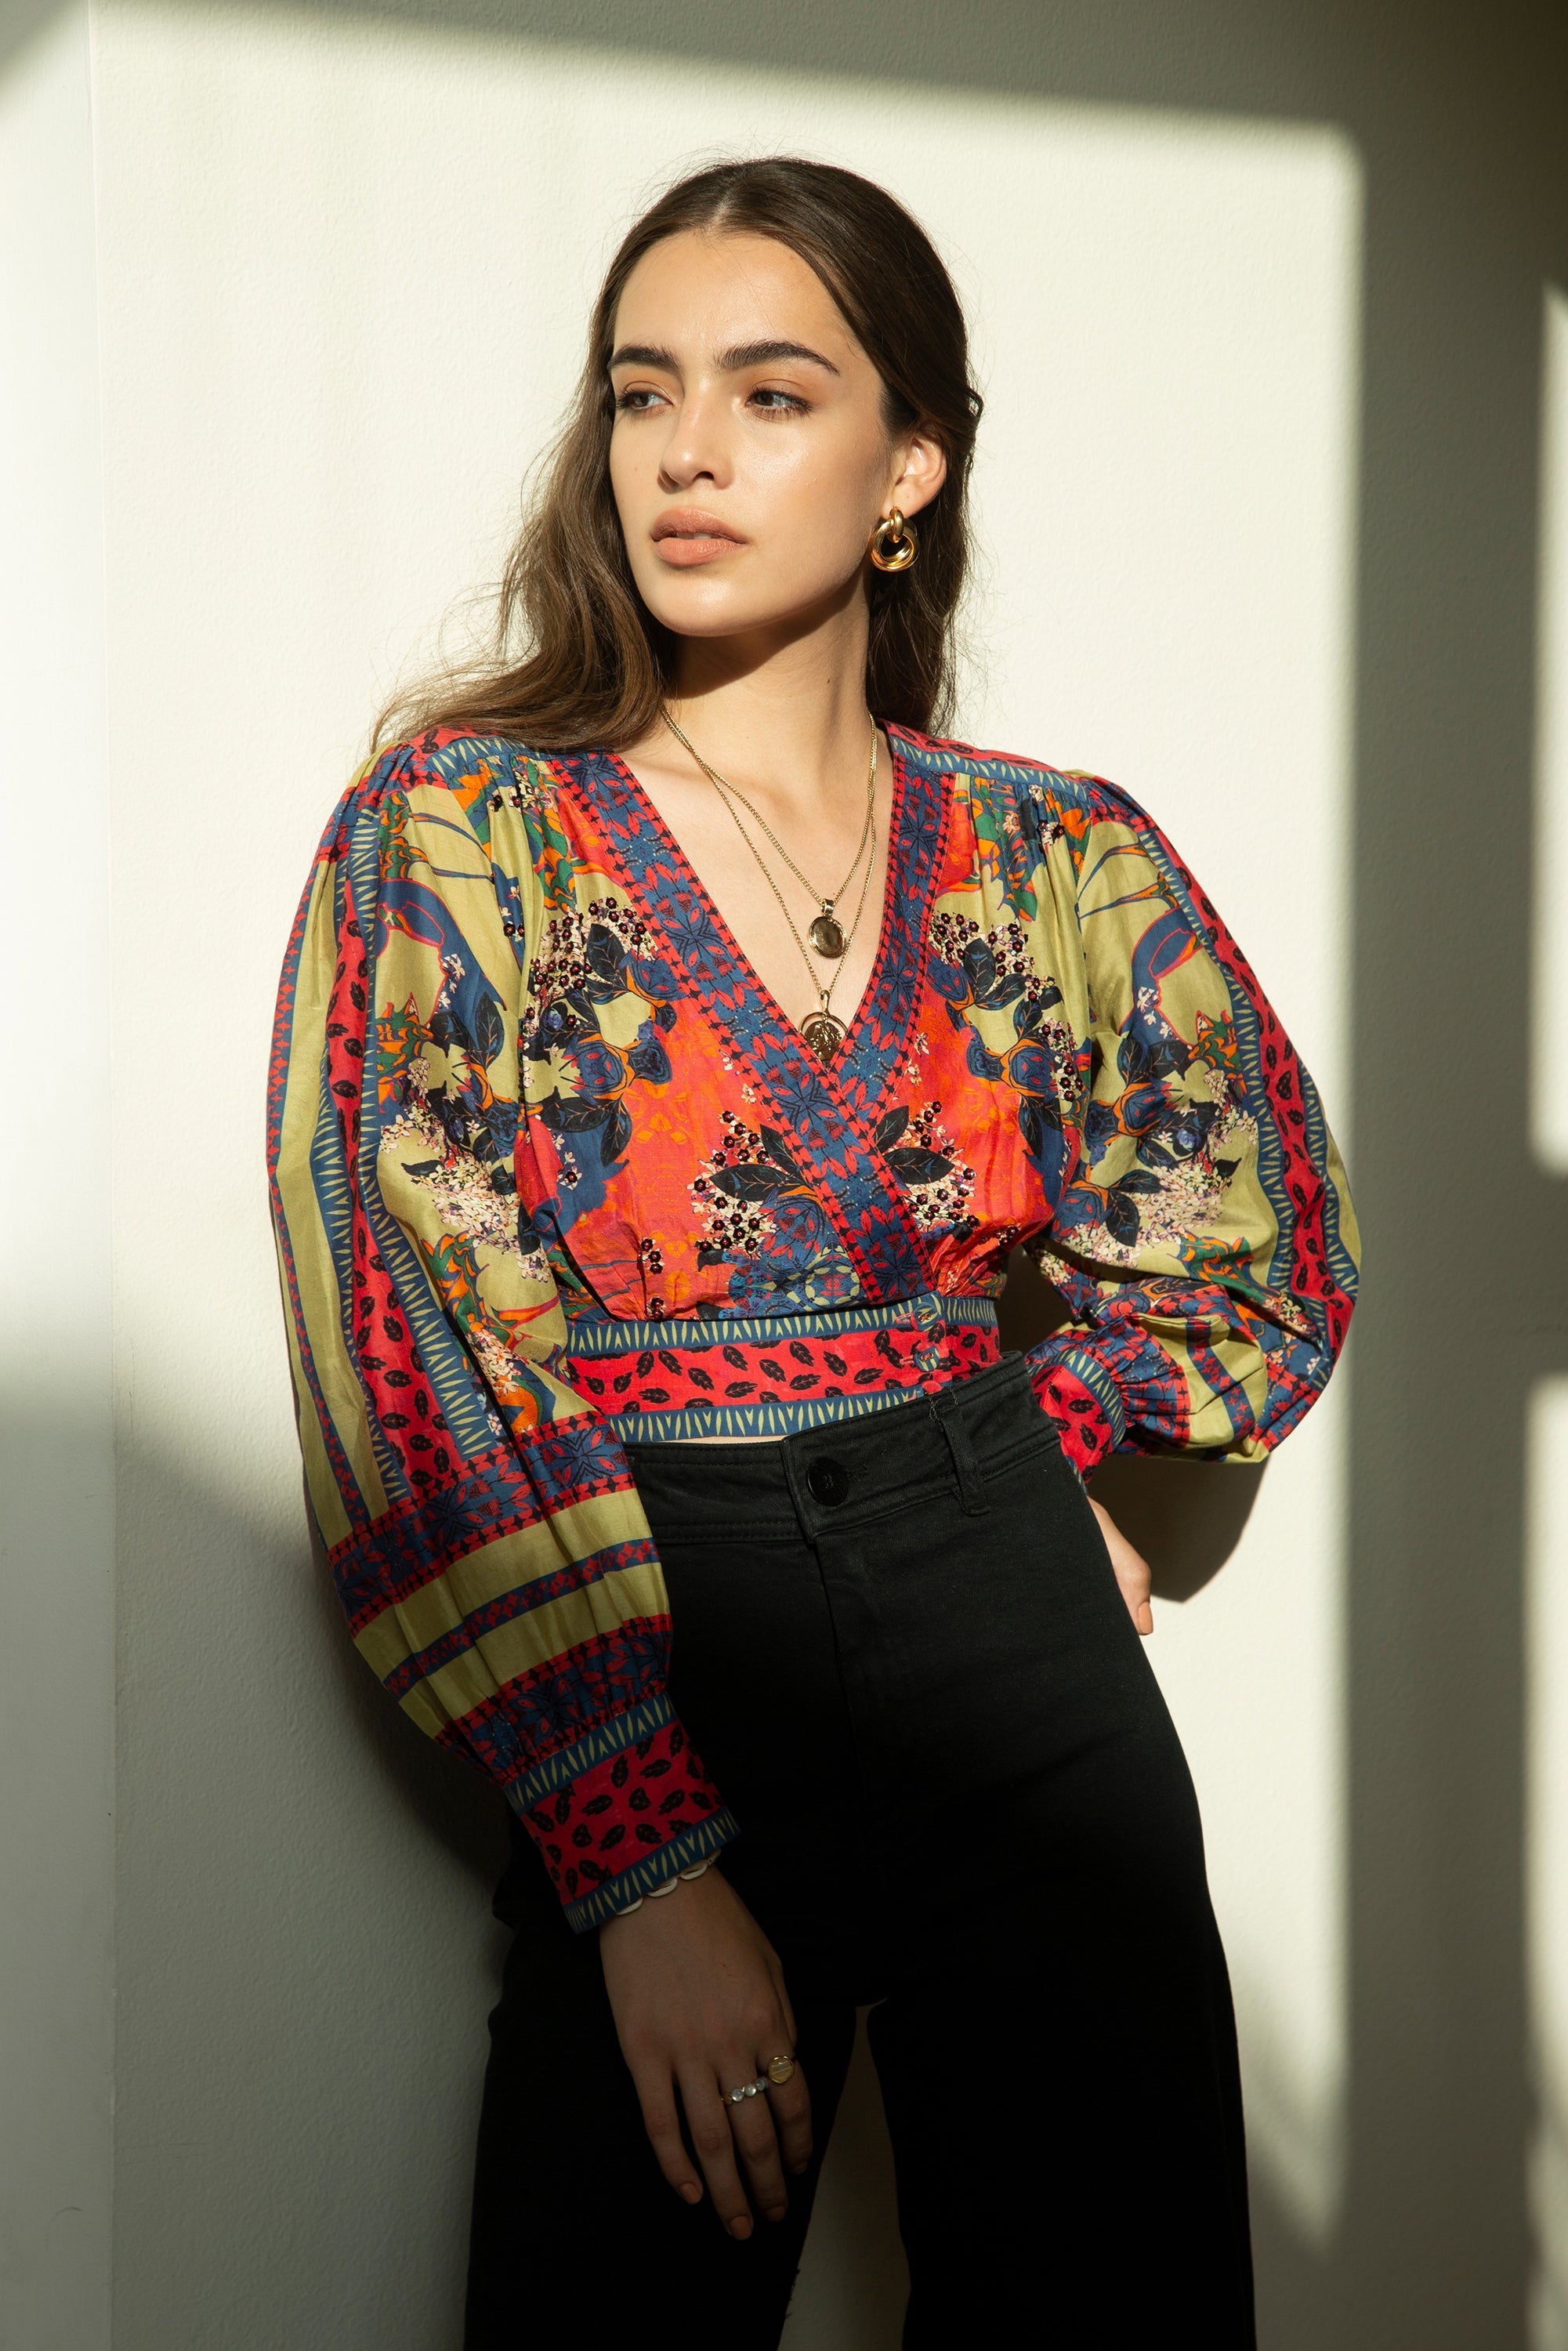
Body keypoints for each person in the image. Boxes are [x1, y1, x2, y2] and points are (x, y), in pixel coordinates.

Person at [266, 157, 1358, 2347]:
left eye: (771, 394)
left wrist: (1045, 1451)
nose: (685, 451)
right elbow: (408, 1333)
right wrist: (640, 1856)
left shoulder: (1056, 849)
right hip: (655, 1610)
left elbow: (1256, 1218)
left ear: (907, 467)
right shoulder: (458, 828)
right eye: (640, 391)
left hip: (1015, 1661)